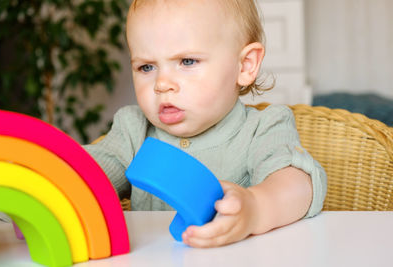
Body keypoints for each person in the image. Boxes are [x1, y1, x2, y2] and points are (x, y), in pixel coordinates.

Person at [84, 0, 327, 248]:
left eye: (187, 61)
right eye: (146, 67)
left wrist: (254, 209)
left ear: (245, 65)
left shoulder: (264, 128)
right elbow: (86, 174)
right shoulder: (132, 129)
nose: (162, 83)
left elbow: (297, 184)